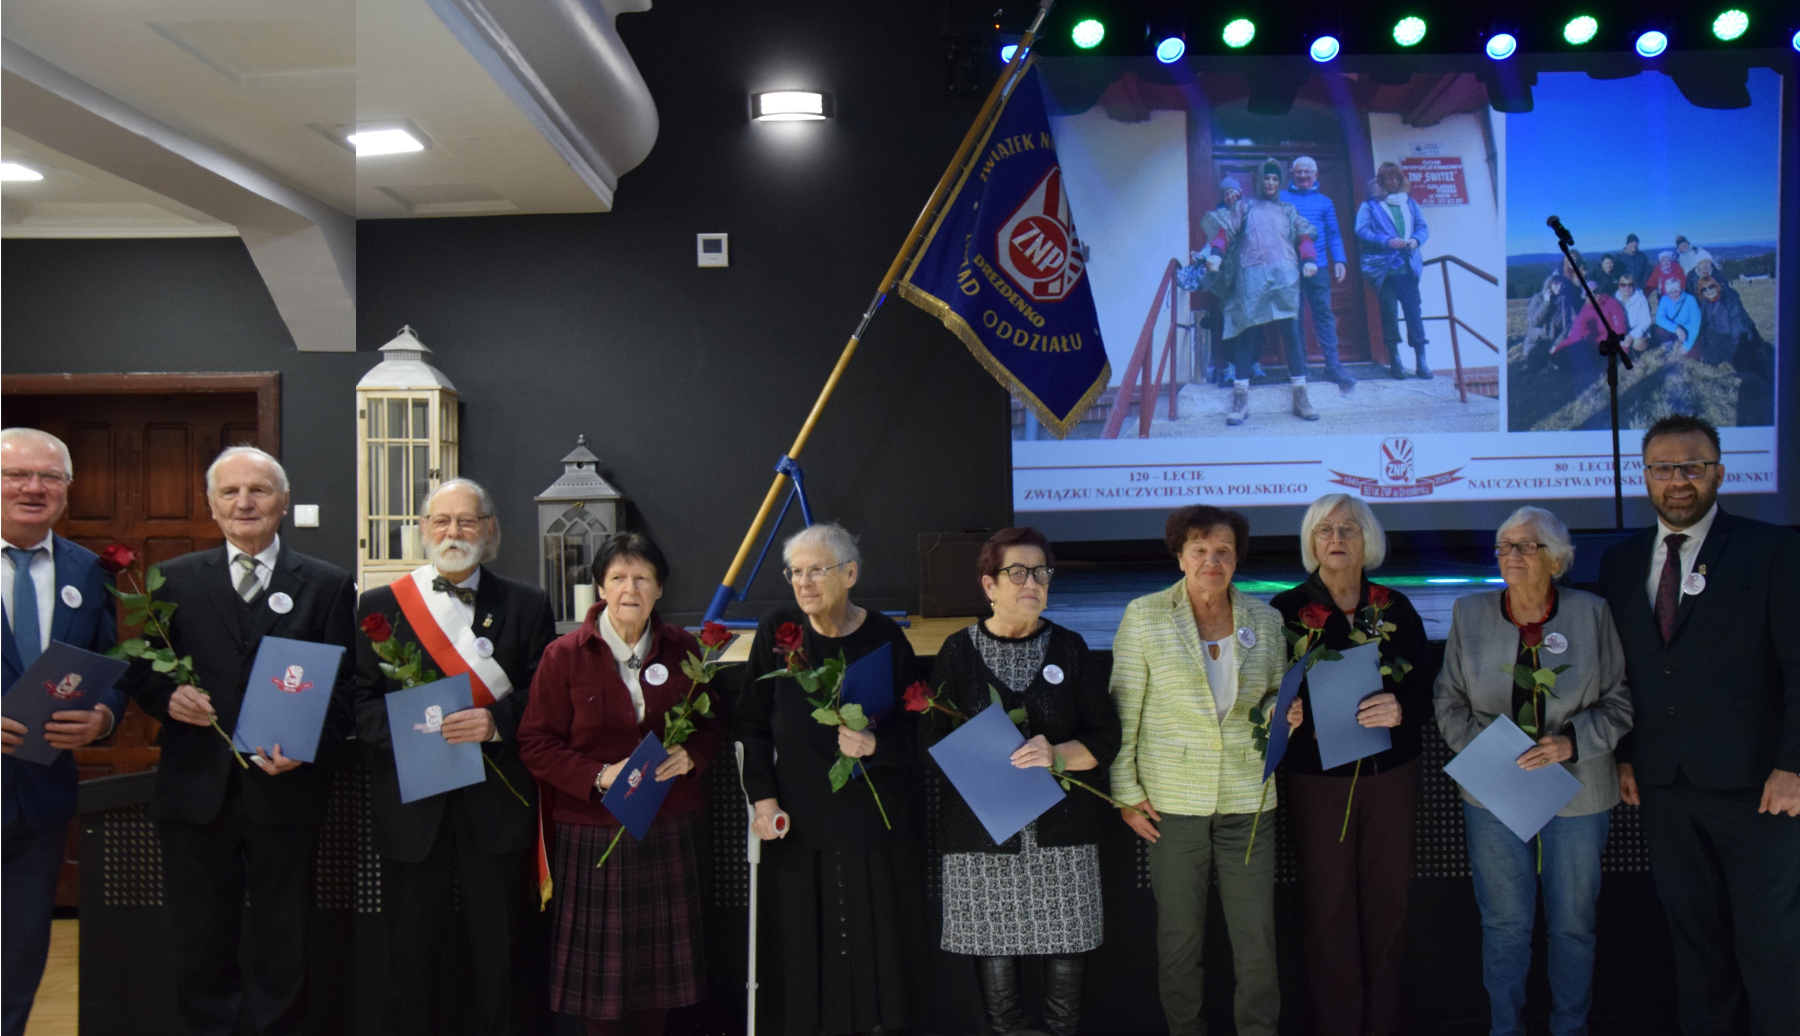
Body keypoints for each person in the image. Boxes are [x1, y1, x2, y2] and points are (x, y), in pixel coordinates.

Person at [123, 446, 356, 1036]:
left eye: (259, 490)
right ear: (211, 504)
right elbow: (143, 672)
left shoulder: (327, 584)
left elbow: (347, 689)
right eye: (230, 491)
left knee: (286, 943)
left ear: (284, 501)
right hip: (195, 793)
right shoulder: (172, 579)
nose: (244, 502)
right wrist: (166, 698)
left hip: (286, 791)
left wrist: (308, 744)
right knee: (200, 943)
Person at [1598, 415, 1800, 1036]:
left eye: (1692, 466)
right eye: (1663, 468)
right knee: (1694, 942)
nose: (1677, 480)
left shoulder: (1773, 550)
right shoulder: (1620, 562)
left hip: (1759, 787)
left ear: (1719, 473)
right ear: (1645, 477)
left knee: (1771, 942)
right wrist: (1626, 754)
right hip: (1664, 785)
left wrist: (1793, 765)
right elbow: (1624, 673)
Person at [351, 478, 556, 1036]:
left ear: (489, 531)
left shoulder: (528, 603)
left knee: (502, 956)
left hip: (497, 804)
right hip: (414, 809)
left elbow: (544, 697)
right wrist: (415, 732)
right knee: (411, 956)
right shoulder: (381, 606)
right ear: (423, 530)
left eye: (467, 520)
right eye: (441, 521)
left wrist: (496, 724)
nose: (453, 532)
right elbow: (359, 704)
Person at [1435, 506, 1634, 1036]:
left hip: (1578, 790)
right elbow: (1448, 702)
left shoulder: (1592, 613)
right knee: (1504, 925)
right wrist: (1492, 757)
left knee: (1574, 926)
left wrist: (1572, 742)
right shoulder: (1469, 613)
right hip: (1494, 793)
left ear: (1557, 560)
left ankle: (1570, 1027)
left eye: (1526, 546)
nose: (1512, 556)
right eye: (1504, 546)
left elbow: (1619, 704)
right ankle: (1506, 1028)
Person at [1109, 506, 1303, 1036]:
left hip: (1248, 798)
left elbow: (1272, 696)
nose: (1211, 561)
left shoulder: (1265, 619)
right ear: (1180, 556)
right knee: (1179, 939)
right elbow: (1123, 708)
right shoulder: (1145, 615)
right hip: (1171, 803)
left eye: (1223, 551)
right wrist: (1125, 792)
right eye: (1199, 550)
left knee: (1256, 940)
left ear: (1237, 558)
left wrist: (1283, 713)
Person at [919, 527, 1120, 1036]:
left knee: (1068, 947)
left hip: (1063, 834)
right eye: (1018, 572)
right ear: (989, 585)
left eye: (1041, 572)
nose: (1033, 582)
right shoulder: (957, 651)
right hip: (984, 835)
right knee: (994, 955)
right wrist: (983, 765)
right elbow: (931, 739)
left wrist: (1057, 755)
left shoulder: (1069, 648)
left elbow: (1105, 735)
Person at [518, 532, 719, 1036]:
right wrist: (598, 775)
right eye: (618, 578)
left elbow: (713, 727)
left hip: (668, 823)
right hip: (594, 828)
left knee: (660, 974)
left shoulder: (685, 649)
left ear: (660, 589)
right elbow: (535, 743)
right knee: (600, 982)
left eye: (643, 578)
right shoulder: (564, 655)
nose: (631, 589)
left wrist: (691, 756)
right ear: (600, 588)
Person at [735, 522, 927, 1036]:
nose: (804, 583)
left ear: (850, 574)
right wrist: (762, 800)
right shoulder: (778, 631)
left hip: (872, 818)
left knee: (875, 946)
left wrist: (875, 745)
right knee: (805, 947)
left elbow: (917, 729)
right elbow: (751, 726)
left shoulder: (884, 636)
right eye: (795, 572)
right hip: (797, 819)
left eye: (816, 571)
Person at [1268, 495, 1433, 1036]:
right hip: (1319, 780)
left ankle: (1382, 1024)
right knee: (1327, 909)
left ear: (1369, 540)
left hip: (1391, 775)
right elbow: (1265, 693)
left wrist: (1402, 707)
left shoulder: (1396, 607)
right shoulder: (1284, 610)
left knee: (1388, 905)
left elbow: (1427, 691)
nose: (1336, 538)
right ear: (1311, 542)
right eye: (1325, 529)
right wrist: (1285, 713)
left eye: (1348, 528)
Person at [1, 429, 123, 1036]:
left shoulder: (88, 570)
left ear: (67, 489)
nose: (33, 487)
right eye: (16, 475)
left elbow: (113, 663)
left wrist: (103, 717)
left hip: (40, 799)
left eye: (49, 476)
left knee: (19, 952)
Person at [1199, 158, 1323, 424]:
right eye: (1267, 178)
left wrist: (1309, 259)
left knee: (1291, 335)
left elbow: (1303, 235)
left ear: (1280, 182)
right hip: (1252, 278)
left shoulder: (1287, 209)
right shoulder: (1244, 206)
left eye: (1275, 179)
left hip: (1284, 277)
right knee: (1247, 334)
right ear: (1259, 180)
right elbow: (1225, 232)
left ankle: (1301, 396)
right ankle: (1240, 398)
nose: (1270, 183)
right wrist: (1216, 253)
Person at [1281, 155, 1356, 386]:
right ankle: (1299, 368)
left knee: (1323, 314)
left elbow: (1333, 233)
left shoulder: (1325, 202)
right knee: (1293, 317)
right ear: (1292, 174)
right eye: (1299, 171)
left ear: (1315, 175)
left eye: (1307, 172)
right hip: (1288, 266)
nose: (1303, 175)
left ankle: (1333, 367)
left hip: (1320, 266)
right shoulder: (1281, 198)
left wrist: (1340, 260)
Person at [1355, 161, 1432, 380]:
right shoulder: (1370, 206)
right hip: (1385, 270)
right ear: (1381, 181)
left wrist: (1416, 240)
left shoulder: (1410, 203)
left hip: (1408, 269)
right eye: (1389, 178)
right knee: (1389, 314)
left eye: (1397, 178)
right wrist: (1386, 241)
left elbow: (1422, 227)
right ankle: (1395, 360)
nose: (1393, 182)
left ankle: (1421, 360)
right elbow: (1361, 230)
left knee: (1414, 313)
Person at [1691, 274, 1774, 425]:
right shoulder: (1705, 304)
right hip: (1718, 337)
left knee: (1746, 369)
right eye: (1704, 289)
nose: (1709, 291)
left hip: (1734, 338)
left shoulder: (1729, 300)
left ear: (1716, 286)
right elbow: (1706, 326)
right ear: (1701, 292)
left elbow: (1739, 326)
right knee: (1708, 360)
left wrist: (1740, 349)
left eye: (1711, 286)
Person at [1551, 278, 1629, 384]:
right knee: (1562, 353)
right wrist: (1559, 348)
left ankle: (1591, 369)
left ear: (1600, 290)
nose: (1593, 295)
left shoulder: (1612, 303)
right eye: (1588, 294)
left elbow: (1620, 329)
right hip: (1592, 346)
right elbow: (1576, 334)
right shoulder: (1586, 309)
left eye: (1595, 291)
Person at [1520, 254, 1582, 374]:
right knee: (1536, 370)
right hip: (1537, 342)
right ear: (1549, 284)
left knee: (1566, 366)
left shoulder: (1563, 301)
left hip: (1554, 341)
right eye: (1556, 283)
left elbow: (1567, 326)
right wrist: (1546, 303)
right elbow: (1534, 322)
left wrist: (1557, 345)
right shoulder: (1538, 299)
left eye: (1562, 284)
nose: (1559, 286)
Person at [1648, 276, 1700, 354]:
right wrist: (1676, 329)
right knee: (1659, 331)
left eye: (1676, 292)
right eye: (1670, 293)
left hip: (1688, 329)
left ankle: (1683, 343)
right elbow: (1659, 318)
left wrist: (1687, 345)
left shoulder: (1690, 299)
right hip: (1674, 328)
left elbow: (1695, 324)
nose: (1674, 295)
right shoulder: (1664, 299)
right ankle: (1669, 343)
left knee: (1693, 353)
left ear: (1680, 289)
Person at [1615, 274, 1652, 354]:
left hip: (1637, 331)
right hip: (1621, 331)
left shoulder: (1641, 299)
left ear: (1634, 286)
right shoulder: (1615, 300)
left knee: (1638, 344)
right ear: (1619, 287)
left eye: (1630, 285)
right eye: (1623, 285)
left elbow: (1646, 321)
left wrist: (1631, 336)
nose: (1627, 288)